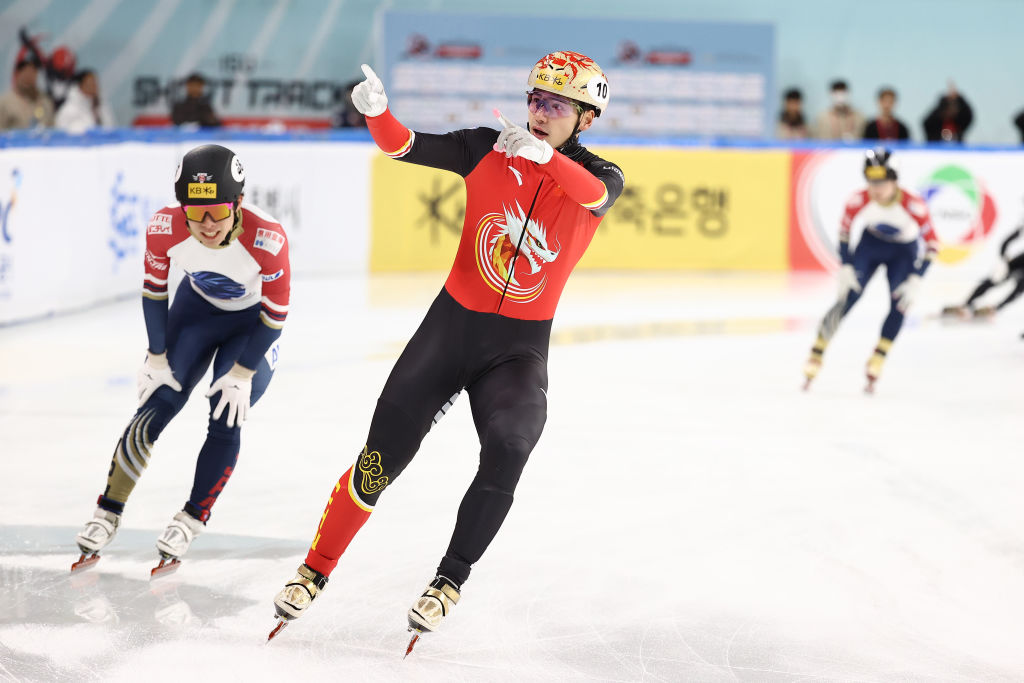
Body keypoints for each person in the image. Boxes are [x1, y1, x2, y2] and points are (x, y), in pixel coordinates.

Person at [269, 52, 625, 648]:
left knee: (511, 448)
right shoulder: (487, 147)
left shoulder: (601, 173)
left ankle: (449, 580)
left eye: (556, 105)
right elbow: (404, 146)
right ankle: (314, 570)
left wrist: (547, 161)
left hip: (516, 354)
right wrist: (377, 114)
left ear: (586, 118)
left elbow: (594, 197)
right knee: (379, 461)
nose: (539, 114)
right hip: (449, 333)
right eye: (535, 100)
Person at [73, 144, 290, 573]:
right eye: (195, 212)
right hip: (196, 315)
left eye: (218, 212)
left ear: (239, 202)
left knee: (226, 412)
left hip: (252, 325)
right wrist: (155, 356)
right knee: (157, 403)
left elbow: (275, 314)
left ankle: (192, 517)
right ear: (181, 207)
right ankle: (107, 509)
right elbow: (154, 290)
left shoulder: (268, 236)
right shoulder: (164, 226)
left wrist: (243, 371)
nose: (207, 225)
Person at [803, 148, 938, 392]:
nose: (876, 189)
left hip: (902, 252)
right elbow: (844, 232)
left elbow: (933, 244)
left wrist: (917, 277)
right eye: (871, 181)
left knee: (901, 302)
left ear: (895, 181)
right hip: (871, 245)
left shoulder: (913, 205)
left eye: (882, 182)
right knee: (849, 295)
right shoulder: (858, 200)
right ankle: (817, 350)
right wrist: (846, 265)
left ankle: (879, 356)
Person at [942, 225, 1024, 319]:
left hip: (1016, 270)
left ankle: (995, 309)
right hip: (1012, 266)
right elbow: (1005, 243)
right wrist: (1003, 259)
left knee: (1019, 289)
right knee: (992, 281)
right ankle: (966, 304)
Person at [0, 56, 55, 131]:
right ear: (17, 74)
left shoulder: (45, 102)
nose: (29, 75)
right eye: (25, 71)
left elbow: (53, 131)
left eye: (33, 71)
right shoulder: (4, 103)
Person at [55, 69, 115, 134]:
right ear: (80, 85)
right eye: (90, 83)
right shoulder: (69, 109)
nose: (94, 86)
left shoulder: (101, 105)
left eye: (95, 82)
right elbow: (63, 132)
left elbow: (111, 127)